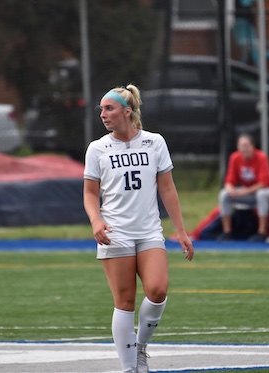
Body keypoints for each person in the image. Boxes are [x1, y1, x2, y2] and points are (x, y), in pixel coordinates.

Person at [83, 84, 195, 373]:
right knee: (125, 301)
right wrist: (96, 220)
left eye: (109, 108)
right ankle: (129, 367)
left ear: (127, 111)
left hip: (149, 231)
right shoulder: (97, 148)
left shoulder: (155, 142)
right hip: (115, 232)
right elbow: (90, 193)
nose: (103, 114)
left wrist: (181, 231)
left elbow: (167, 189)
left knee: (157, 290)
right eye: (102, 109)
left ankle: (141, 348)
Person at [217, 133, 269, 242]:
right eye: (241, 146)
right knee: (224, 194)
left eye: (247, 145)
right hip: (250, 194)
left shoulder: (262, 157)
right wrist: (230, 189)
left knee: (261, 194)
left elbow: (264, 183)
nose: (244, 149)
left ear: (253, 146)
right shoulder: (235, 158)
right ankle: (227, 232)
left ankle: (261, 232)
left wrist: (243, 192)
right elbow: (229, 180)